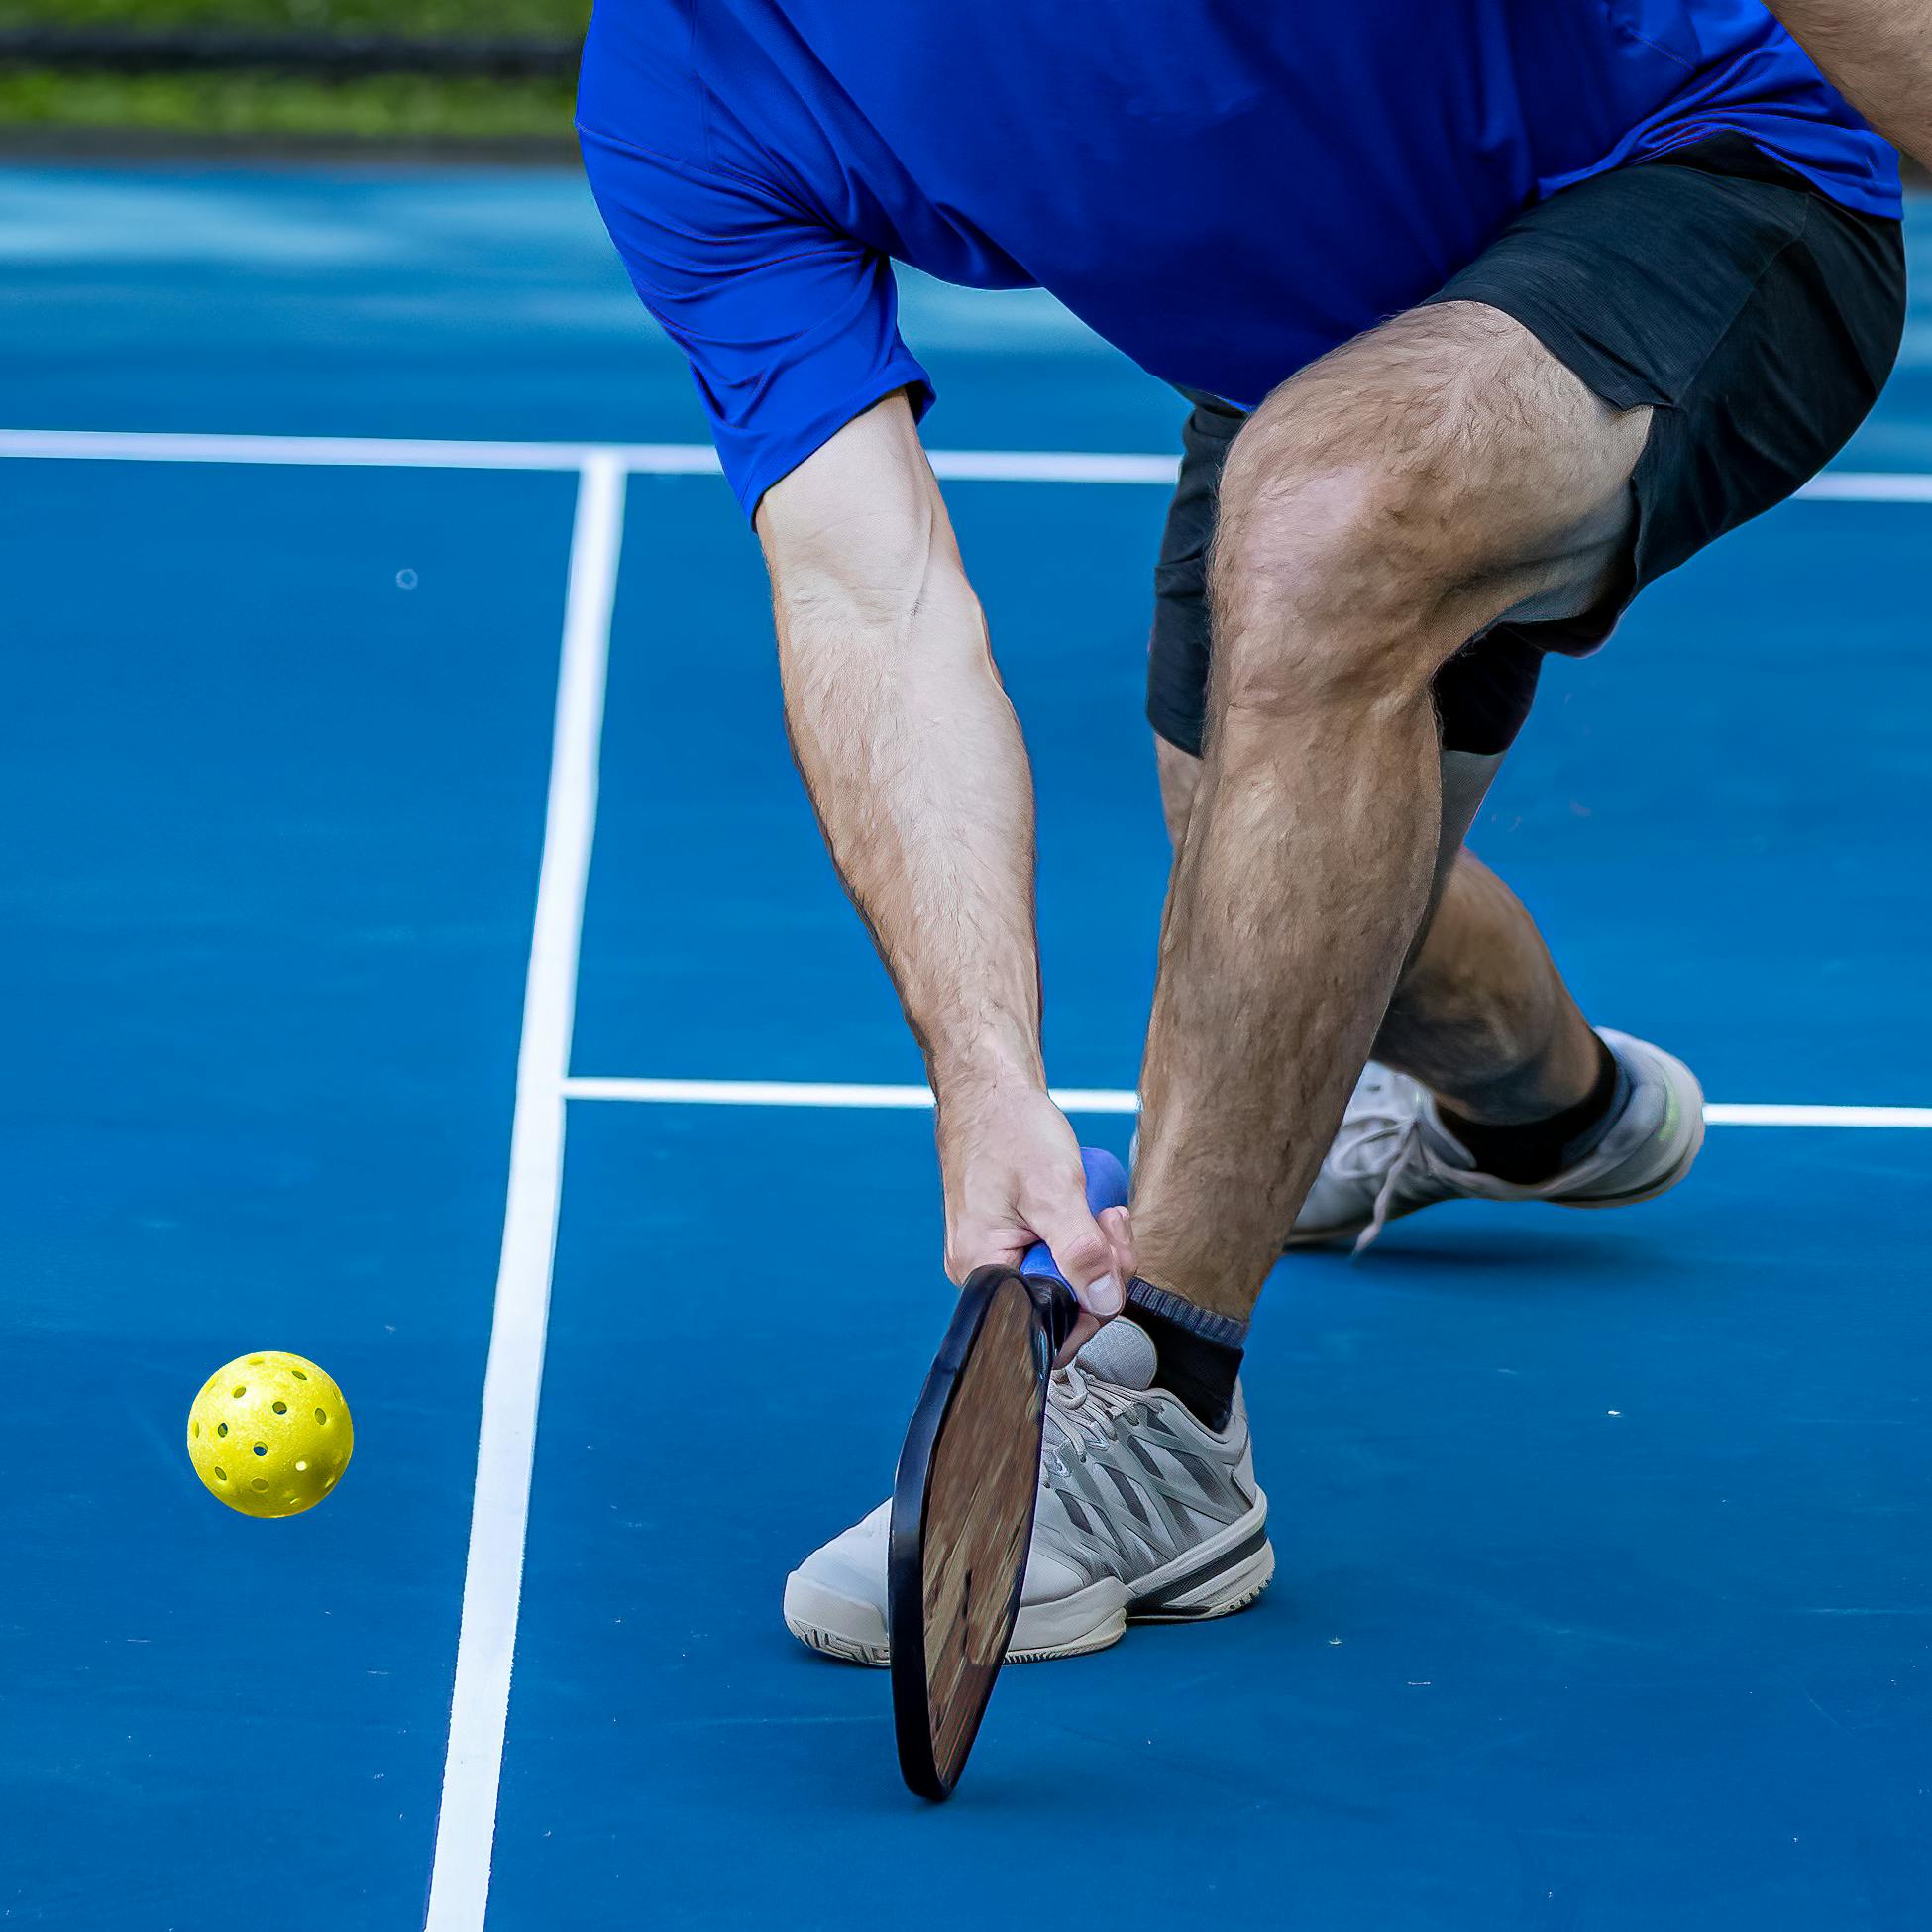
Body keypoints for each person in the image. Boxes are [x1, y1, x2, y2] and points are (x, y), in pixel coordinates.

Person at [576, 2, 1918, 1663]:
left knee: (1315, 528)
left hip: (1704, 170)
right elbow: (869, 595)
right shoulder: (683, 82)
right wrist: (982, 1066)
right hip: (1322, 351)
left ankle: (1163, 1415)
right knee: (1299, 924)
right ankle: (1546, 1116)